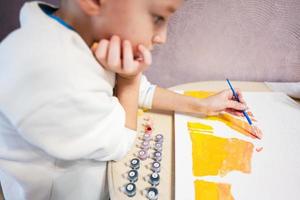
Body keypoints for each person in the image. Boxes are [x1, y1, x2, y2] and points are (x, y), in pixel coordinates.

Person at [0, 0, 247, 199]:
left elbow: (140, 91)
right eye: (158, 18)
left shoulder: (79, 36)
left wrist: (201, 105)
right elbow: (120, 141)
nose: (162, 37)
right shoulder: (54, 72)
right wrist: (129, 81)